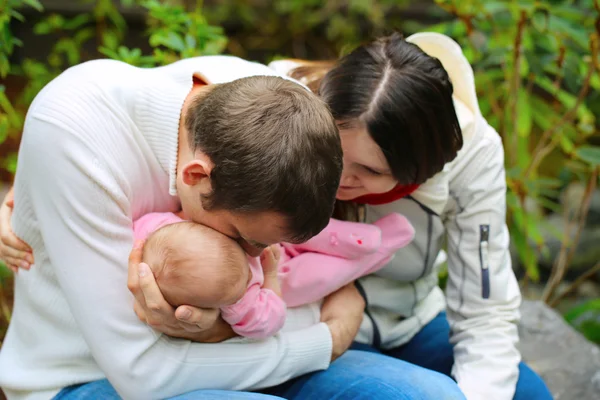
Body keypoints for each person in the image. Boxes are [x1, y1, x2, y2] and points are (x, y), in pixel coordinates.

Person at [0, 55, 368, 400]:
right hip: (86, 376)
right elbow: (141, 372)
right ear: (195, 175)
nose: (262, 257)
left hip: (259, 345)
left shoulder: (273, 103)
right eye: (243, 238)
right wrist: (324, 341)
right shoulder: (76, 135)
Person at [134, 210, 414, 339]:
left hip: (263, 240)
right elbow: (272, 319)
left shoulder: (168, 232)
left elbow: (145, 226)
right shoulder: (240, 305)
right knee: (316, 277)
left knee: (294, 225)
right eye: (242, 284)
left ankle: (351, 237)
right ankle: (374, 253)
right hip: (282, 276)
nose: (247, 273)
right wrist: (268, 276)